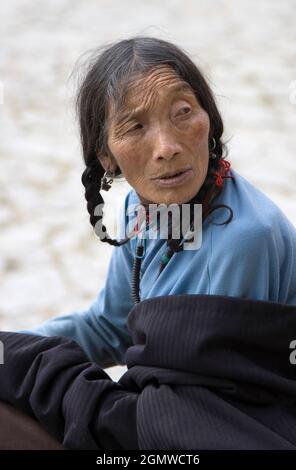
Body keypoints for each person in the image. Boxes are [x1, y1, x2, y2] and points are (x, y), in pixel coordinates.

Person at [0, 36, 296, 450]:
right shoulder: (139, 212)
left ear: (208, 120)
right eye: (135, 126)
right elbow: (108, 326)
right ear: (106, 155)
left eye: (183, 113)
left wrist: (31, 370)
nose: (168, 148)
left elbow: (194, 413)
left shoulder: (245, 240)